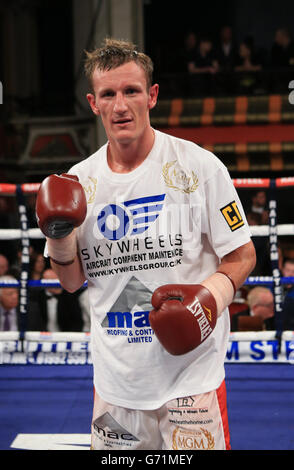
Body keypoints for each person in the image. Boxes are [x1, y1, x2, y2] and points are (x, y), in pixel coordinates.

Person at [35, 38, 256, 450]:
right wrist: (59, 239)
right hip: (117, 386)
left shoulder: (199, 167)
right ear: (93, 103)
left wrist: (209, 298)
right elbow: (69, 283)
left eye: (131, 91)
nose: (121, 106)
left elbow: (242, 254)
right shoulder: (78, 182)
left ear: (151, 95)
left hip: (192, 381)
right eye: (109, 94)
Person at [281, 258, 294, 330]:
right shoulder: (273, 287)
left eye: (293, 271)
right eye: (288, 270)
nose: (290, 274)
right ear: (283, 270)